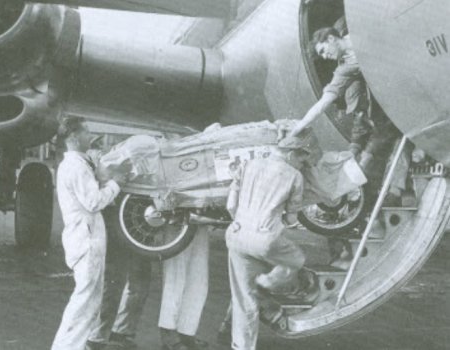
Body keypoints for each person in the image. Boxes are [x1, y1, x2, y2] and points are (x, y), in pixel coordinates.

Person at [286, 26, 411, 206]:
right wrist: (300, 126)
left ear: (330, 39)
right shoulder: (344, 69)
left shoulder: (362, 30)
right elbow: (324, 101)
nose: (324, 56)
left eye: (322, 50)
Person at [225, 130, 319, 350]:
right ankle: (266, 283)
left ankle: (241, 346)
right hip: (265, 237)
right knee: (296, 259)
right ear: (291, 154)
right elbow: (292, 217)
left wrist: (241, 222)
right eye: (301, 158)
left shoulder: (249, 164)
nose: (301, 163)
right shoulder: (294, 175)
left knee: (243, 299)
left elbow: (230, 205)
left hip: (237, 234)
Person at [51, 116, 128, 350]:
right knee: (84, 303)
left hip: (84, 238)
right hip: (86, 241)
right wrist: (116, 183)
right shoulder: (76, 166)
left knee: (89, 302)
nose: (90, 136)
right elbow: (93, 202)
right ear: (74, 137)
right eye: (86, 132)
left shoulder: (77, 164)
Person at [86, 140, 152, 350]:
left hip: (137, 228)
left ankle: (120, 331)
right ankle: (99, 336)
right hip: (120, 228)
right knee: (116, 282)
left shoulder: (138, 161)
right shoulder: (104, 163)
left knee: (136, 281)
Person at [158, 226, 211, 350]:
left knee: (198, 277)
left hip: (200, 224)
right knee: (175, 277)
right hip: (177, 222)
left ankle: (186, 331)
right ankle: (168, 331)